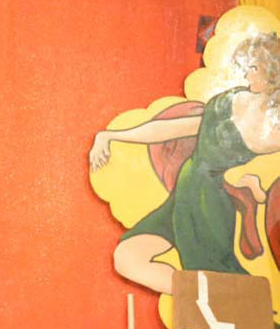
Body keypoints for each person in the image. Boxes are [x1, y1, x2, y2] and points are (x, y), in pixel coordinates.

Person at [90, 32, 280, 295]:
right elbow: (173, 129)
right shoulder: (234, 97)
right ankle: (201, 299)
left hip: (209, 201)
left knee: (213, 277)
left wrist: (250, 186)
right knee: (127, 257)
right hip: (186, 191)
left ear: (273, 75)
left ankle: (233, 312)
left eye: (255, 68)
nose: (248, 74)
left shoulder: (274, 131)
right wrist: (112, 136)